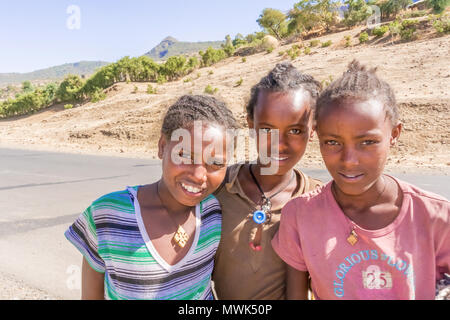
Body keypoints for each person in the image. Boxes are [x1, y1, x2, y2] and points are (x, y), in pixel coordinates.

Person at [272, 60, 450, 300]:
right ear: (318, 136)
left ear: (394, 134)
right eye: (333, 142)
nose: (349, 160)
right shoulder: (300, 215)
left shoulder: (436, 217)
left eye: (367, 142)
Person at [64, 95, 240, 300]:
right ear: (162, 146)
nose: (199, 175)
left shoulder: (213, 212)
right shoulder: (107, 215)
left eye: (216, 163)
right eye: (184, 155)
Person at [212, 62, 323, 299]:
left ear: (312, 130)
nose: (279, 144)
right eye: (266, 130)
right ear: (251, 125)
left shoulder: (321, 202)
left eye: (294, 131)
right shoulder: (218, 187)